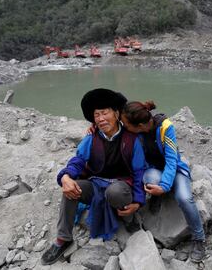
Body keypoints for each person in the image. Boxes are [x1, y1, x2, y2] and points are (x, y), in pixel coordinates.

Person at [41, 89, 147, 265]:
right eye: (96, 115)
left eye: (105, 112)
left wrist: (138, 202)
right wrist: (66, 177)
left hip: (121, 186)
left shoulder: (132, 139)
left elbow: (138, 172)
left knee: (115, 192)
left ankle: (128, 218)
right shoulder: (91, 138)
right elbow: (78, 160)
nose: (100, 118)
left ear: (117, 113)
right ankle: (63, 238)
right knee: (71, 189)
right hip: (97, 184)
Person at [121, 100, 207, 262]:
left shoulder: (166, 127)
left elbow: (171, 159)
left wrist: (165, 186)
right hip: (154, 170)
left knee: (184, 198)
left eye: (126, 124)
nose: (124, 126)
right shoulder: (135, 133)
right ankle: (157, 195)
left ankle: (199, 238)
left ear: (139, 125)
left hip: (175, 169)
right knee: (151, 178)